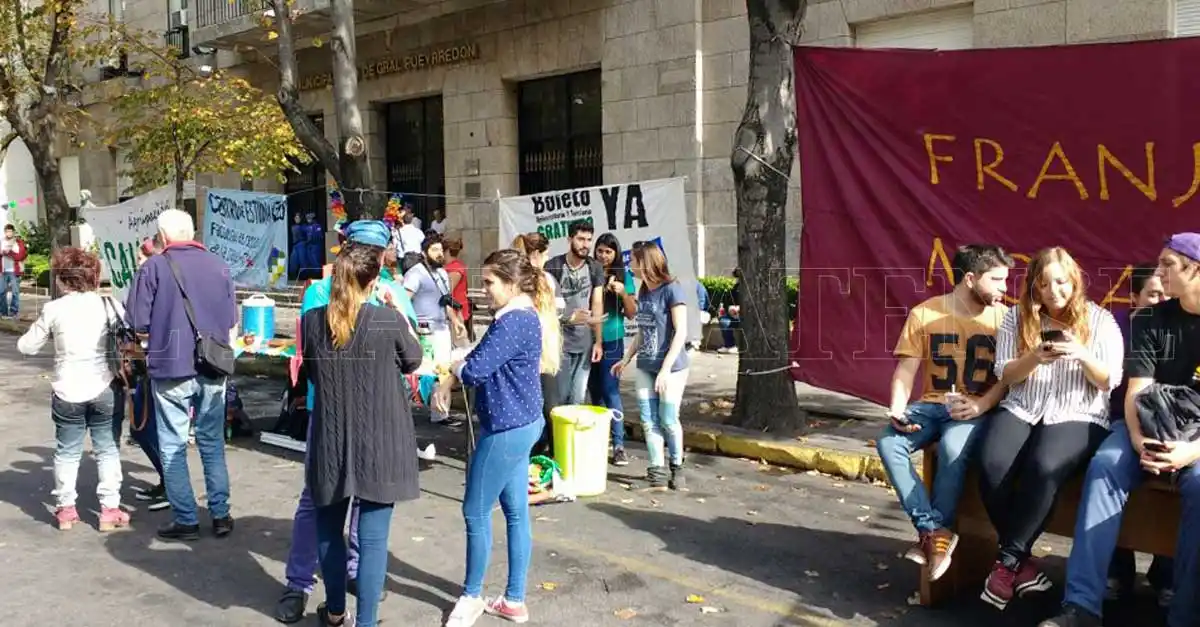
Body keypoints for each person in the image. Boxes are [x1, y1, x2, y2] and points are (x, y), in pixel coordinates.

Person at [1042, 234, 1200, 627]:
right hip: (1146, 427)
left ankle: (1185, 613)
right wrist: (1136, 440)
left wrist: (1190, 453)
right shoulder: (1150, 319)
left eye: (1168, 264)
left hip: (1196, 441)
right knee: (1106, 466)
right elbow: (1137, 390)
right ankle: (1081, 606)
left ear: (1195, 270)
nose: (1159, 272)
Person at [274, 221, 419, 624]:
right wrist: (393, 311)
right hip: (380, 440)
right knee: (372, 542)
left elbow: (313, 372)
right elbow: (414, 359)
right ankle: (367, 621)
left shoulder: (316, 320)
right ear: (374, 279)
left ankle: (335, 612)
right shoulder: (386, 319)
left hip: (331, 436)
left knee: (327, 531)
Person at [978, 246, 1124, 611]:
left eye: (1061, 282)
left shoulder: (1100, 320)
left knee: (1044, 467)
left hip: (1079, 412)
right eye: (1045, 284)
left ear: (1074, 280)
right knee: (992, 464)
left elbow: (1109, 380)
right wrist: (1034, 357)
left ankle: (1008, 561)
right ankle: (1023, 564)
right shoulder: (1017, 317)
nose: (1055, 291)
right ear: (1035, 288)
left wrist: (1082, 354)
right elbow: (1005, 375)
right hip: (1024, 406)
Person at [433, 248, 560, 626]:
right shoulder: (518, 317)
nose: (482, 289)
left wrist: (452, 367)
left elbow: (475, 368)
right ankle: (514, 600)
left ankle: (472, 596)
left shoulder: (513, 322)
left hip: (506, 428)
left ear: (511, 282)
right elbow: (480, 357)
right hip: (522, 424)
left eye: (488, 282)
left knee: (474, 510)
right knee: (516, 513)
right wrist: (460, 367)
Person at [875, 245, 1012, 580]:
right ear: (970, 279)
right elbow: (906, 370)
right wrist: (897, 406)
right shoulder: (925, 314)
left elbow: (1011, 378)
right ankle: (933, 531)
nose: (1005, 289)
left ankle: (935, 537)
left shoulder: (1006, 319)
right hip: (931, 406)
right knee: (888, 442)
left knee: (953, 448)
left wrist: (982, 404)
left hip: (975, 409)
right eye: (997, 280)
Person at [126, 208, 238, 541]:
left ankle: (187, 520)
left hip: (170, 366)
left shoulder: (154, 267)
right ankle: (220, 515)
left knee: (173, 444)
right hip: (213, 365)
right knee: (211, 442)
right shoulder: (220, 265)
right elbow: (230, 318)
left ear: (162, 236)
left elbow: (136, 321)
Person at [18, 247, 130, 531]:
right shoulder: (111, 305)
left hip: (67, 390)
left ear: (63, 278)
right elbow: (130, 341)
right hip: (105, 386)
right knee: (107, 450)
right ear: (94, 276)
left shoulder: (54, 309)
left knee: (67, 451)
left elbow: (26, 347)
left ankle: (66, 510)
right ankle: (110, 510)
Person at [1106, 264, 1172, 604]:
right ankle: (1118, 570)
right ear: (1134, 298)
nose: (1162, 300)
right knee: (1106, 468)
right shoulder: (1116, 326)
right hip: (1120, 420)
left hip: (1172, 426)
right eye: (1153, 294)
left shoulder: (1183, 324)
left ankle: (1166, 573)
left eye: (1166, 293)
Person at [612, 241, 690, 490]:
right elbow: (642, 331)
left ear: (645, 262)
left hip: (673, 368)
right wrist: (626, 358)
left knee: (668, 419)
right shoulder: (644, 290)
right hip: (646, 365)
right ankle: (656, 469)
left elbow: (681, 333)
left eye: (633, 260)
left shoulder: (672, 290)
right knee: (648, 419)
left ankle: (677, 466)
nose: (630, 265)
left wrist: (666, 369)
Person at [403, 233, 467, 424]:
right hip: (423, 330)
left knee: (443, 371)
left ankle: (440, 414)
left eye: (440, 249)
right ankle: (403, 412)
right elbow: (403, 301)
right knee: (418, 372)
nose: (439, 254)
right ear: (424, 253)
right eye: (434, 250)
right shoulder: (415, 274)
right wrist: (409, 327)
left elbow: (446, 301)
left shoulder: (442, 274)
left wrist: (456, 322)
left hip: (442, 329)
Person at [126, 235, 169, 511]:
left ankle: (171, 485)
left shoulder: (150, 280)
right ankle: (168, 482)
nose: (139, 263)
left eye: (143, 257)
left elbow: (137, 320)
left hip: (156, 361)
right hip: (151, 361)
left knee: (147, 426)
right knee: (143, 425)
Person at [513, 232, 563, 457]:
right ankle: (551, 456)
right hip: (545, 348)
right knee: (550, 405)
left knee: (527, 404)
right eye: (546, 253)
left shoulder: (515, 279)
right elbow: (560, 310)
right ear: (536, 254)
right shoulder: (545, 279)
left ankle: (528, 454)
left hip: (521, 348)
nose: (547, 257)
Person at [589, 233, 637, 466]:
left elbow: (631, 313)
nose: (604, 256)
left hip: (613, 340)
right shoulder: (588, 271)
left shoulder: (623, 276)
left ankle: (618, 445)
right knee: (592, 393)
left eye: (608, 252)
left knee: (611, 391)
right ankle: (595, 442)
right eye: (600, 251)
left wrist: (623, 293)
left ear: (616, 254)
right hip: (586, 340)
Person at [544, 222, 605, 405]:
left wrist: (598, 341)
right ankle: (554, 434)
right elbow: (546, 306)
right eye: (580, 239)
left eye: (588, 240)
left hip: (584, 341)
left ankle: (572, 434)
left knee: (578, 397)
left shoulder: (595, 267)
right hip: (560, 341)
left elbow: (597, 302)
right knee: (559, 397)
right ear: (570, 239)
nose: (585, 244)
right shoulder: (553, 266)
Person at [443, 235, 474, 341]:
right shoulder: (453, 266)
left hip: (456, 313)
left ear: (446, 251)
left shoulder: (455, 268)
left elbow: (446, 291)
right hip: (451, 311)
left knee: (458, 346)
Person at [1, 222, 28, 319]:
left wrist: (9, 253)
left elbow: (20, 256)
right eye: (7, 231)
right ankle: (3, 312)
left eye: (10, 231)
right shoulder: (2, 242)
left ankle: (14, 312)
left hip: (14, 271)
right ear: (5, 232)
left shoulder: (18, 243)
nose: (9, 233)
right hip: (3, 271)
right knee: (1, 292)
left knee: (15, 292)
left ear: (13, 232)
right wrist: (3, 253)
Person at [717, 269, 742, 354]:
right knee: (724, 321)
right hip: (735, 316)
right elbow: (729, 302)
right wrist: (730, 309)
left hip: (747, 317)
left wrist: (740, 309)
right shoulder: (735, 288)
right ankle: (730, 345)